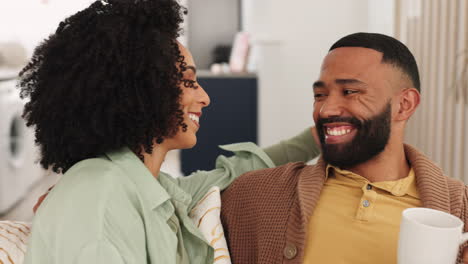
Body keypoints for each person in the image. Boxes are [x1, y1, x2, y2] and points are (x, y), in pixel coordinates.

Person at [20, 0, 321, 263]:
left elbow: (234, 171)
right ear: (140, 89)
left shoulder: (148, 185)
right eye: (188, 81)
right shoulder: (99, 199)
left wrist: (317, 137)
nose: (205, 97)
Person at [220, 32, 468, 264]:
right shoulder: (254, 195)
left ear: (404, 104)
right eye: (320, 95)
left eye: (350, 92)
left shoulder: (461, 210)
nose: (326, 110)